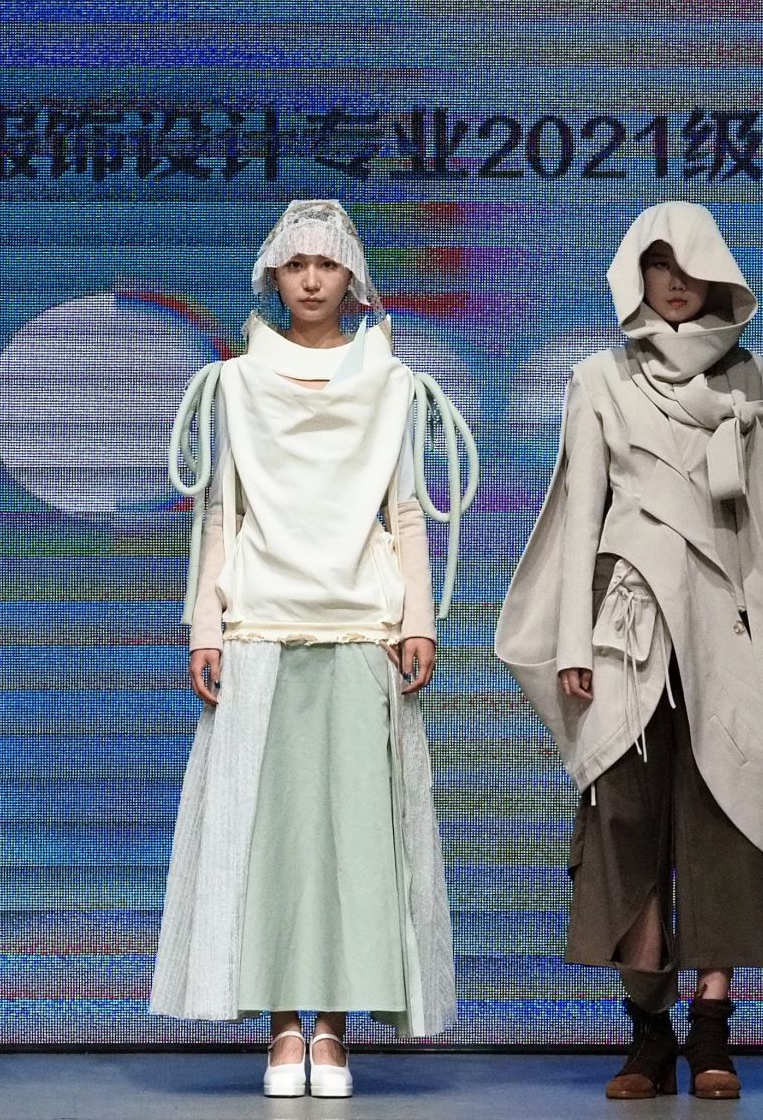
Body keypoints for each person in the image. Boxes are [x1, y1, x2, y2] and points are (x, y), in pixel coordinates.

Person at [495, 200, 763, 1101]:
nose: (677, 280)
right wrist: (572, 641)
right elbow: (579, 516)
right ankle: (648, 1033)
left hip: (730, 628)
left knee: (730, 818)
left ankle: (712, 1029)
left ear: (719, 272)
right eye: (660, 263)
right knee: (625, 823)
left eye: (692, 263)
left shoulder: (752, 378)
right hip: (630, 631)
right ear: (637, 275)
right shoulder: (600, 379)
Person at [150, 199, 477, 1099]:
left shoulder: (392, 383)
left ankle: (332, 1027)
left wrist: (419, 621)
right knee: (268, 837)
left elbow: (405, 508)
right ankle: (281, 1025)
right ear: (273, 277)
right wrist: (206, 626)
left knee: (354, 840)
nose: (309, 279)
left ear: (351, 278)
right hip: (260, 623)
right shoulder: (236, 383)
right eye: (294, 265)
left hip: (361, 627)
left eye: (325, 264)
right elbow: (222, 510)